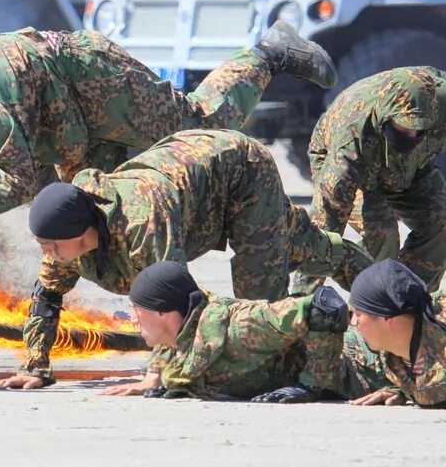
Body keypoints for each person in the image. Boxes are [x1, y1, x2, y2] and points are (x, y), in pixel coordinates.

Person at [0, 130, 373, 389]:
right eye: (41, 244)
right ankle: (376, 290)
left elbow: (175, 301)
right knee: (304, 243)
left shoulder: (142, 222)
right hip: (193, 193)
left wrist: (158, 372)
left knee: (260, 298)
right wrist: (35, 366)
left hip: (240, 171)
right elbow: (46, 299)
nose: (47, 252)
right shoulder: (64, 243)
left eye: (50, 244)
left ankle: (377, 300)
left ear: (80, 232)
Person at [0, 21, 335, 221]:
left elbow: (17, 180)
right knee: (99, 202)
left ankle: (269, 52)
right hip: (64, 118)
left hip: (93, 80)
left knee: (196, 125)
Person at [93, 262, 388, 401]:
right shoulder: (182, 331)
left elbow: (326, 307)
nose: (133, 318)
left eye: (136, 308)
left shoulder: (241, 327)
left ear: (162, 313)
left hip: (370, 367)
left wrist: (309, 386)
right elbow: (171, 344)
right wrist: (157, 379)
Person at [295, 67, 446, 291]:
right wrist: (302, 297)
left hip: (410, 166)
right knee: (382, 231)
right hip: (357, 167)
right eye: (403, 127)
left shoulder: (440, 104)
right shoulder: (351, 139)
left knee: (440, 219)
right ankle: (376, 298)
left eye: (419, 129)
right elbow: (327, 214)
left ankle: (412, 298)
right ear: (386, 117)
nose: (411, 135)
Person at [345, 259, 446, 408]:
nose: (354, 322)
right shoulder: (388, 354)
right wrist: (403, 388)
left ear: (389, 318)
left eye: (358, 314)